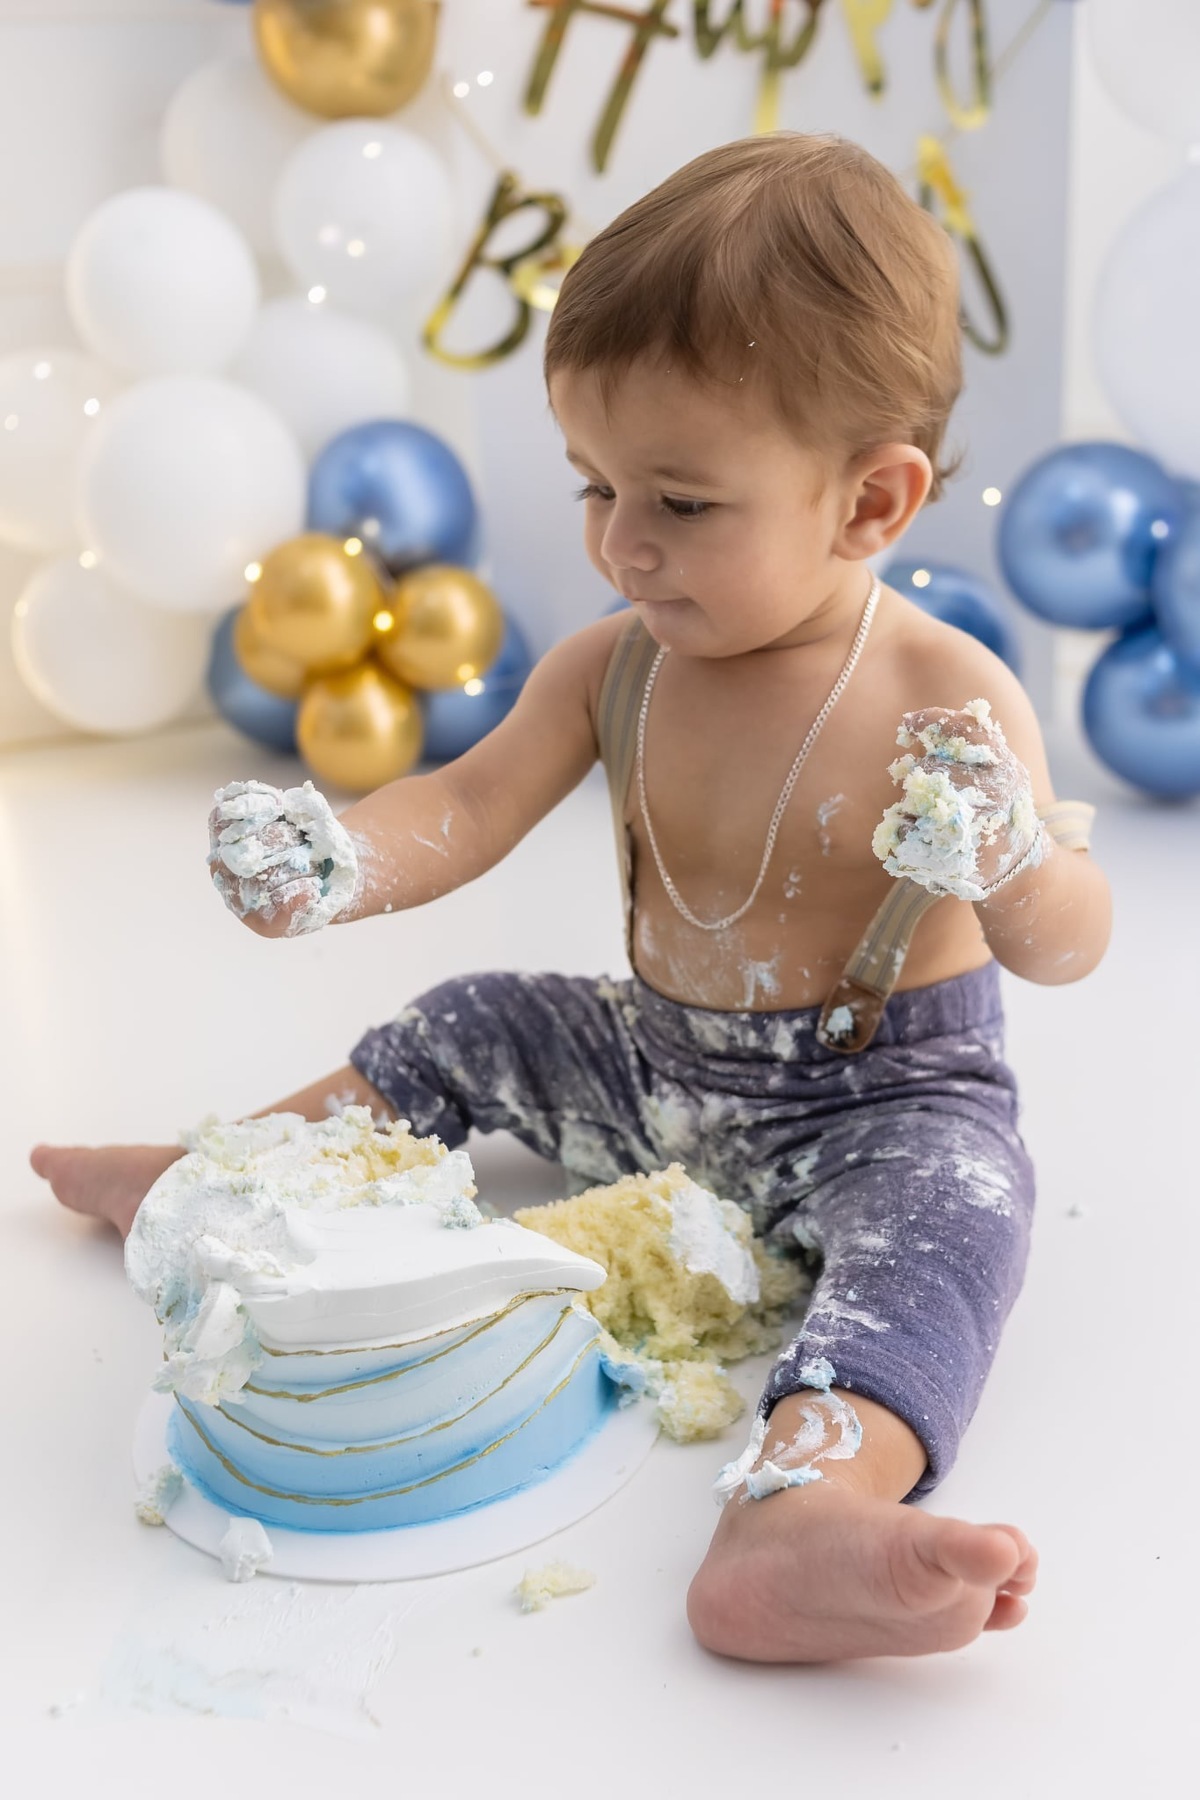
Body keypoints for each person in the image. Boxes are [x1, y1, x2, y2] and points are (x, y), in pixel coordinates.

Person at [31, 133, 1111, 1664]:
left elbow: (1074, 938)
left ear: (871, 504)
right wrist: (343, 861)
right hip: (657, 1065)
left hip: (882, 1095)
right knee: (479, 1023)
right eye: (596, 485)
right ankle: (240, 1186)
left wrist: (1009, 862)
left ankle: (803, 1505)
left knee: (954, 1224)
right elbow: (465, 805)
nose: (618, 543)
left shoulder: (945, 702)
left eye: (679, 499)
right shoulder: (618, 663)